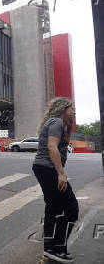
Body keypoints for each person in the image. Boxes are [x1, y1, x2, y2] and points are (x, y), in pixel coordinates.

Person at [33, 97, 78, 263]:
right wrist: (61, 173)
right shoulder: (57, 122)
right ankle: (56, 247)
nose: (74, 110)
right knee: (71, 207)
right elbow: (52, 146)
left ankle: (52, 248)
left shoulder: (60, 124)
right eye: (71, 108)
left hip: (44, 168)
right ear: (62, 109)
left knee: (53, 208)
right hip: (48, 169)